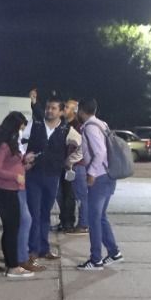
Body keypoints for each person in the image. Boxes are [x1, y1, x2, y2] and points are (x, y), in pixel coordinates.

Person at [0, 112, 42, 277]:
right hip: (5, 190)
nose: (21, 133)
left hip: (13, 188)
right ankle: (12, 267)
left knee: (13, 228)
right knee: (12, 229)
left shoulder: (10, 143)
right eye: (20, 129)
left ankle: (13, 264)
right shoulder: (3, 145)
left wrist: (25, 162)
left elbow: (12, 163)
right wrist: (16, 176)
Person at [22, 92, 71, 262]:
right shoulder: (35, 124)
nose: (49, 110)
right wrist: (24, 158)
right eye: (48, 107)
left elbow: (79, 147)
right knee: (34, 214)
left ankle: (44, 249)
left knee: (45, 214)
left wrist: (69, 162)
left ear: (61, 111)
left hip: (52, 177)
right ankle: (32, 250)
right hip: (34, 176)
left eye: (53, 108)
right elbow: (21, 142)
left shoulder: (66, 129)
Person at [77, 97, 122, 270]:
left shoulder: (90, 127)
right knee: (101, 217)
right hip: (109, 175)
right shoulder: (102, 124)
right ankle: (114, 252)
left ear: (82, 110)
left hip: (100, 178)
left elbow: (100, 152)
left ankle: (96, 259)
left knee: (93, 219)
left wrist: (92, 173)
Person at [55, 98, 87, 235]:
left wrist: (71, 161)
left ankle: (80, 224)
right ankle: (65, 222)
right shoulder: (62, 124)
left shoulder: (78, 126)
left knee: (75, 196)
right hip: (64, 165)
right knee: (61, 195)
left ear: (74, 111)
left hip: (75, 166)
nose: (64, 108)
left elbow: (82, 146)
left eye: (67, 107)